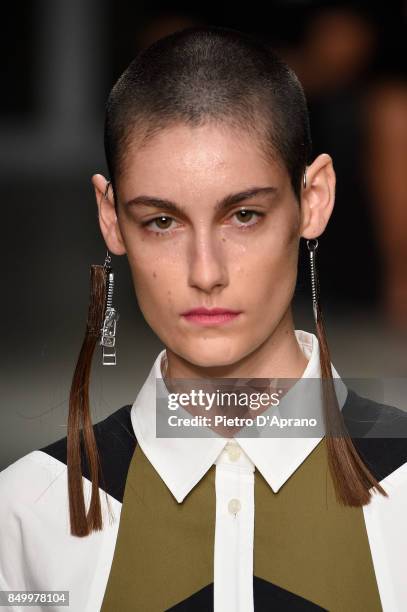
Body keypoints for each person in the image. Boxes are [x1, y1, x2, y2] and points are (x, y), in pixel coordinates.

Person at [1, 24, 407, 612]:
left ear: (313, 198)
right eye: (161, 221)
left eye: (243, 215)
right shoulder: (30, 513)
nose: (205, 271)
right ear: (111, 219)